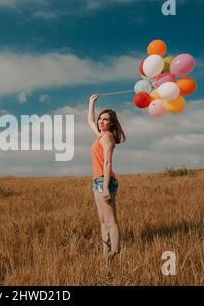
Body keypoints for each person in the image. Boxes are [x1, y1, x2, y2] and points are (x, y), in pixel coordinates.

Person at [87, 92, 126, 275]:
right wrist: (91, 103)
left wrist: (105, 187)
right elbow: (90, 122)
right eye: (101, 119)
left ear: (112, 123)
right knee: (102, 220)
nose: (101, 122)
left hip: (105, 180)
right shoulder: (100, 136)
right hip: (98, 180)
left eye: (106, 119)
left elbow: (107, 163)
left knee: (111, 221)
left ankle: (115, 254)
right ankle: (106, 252)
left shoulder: (108, 137)